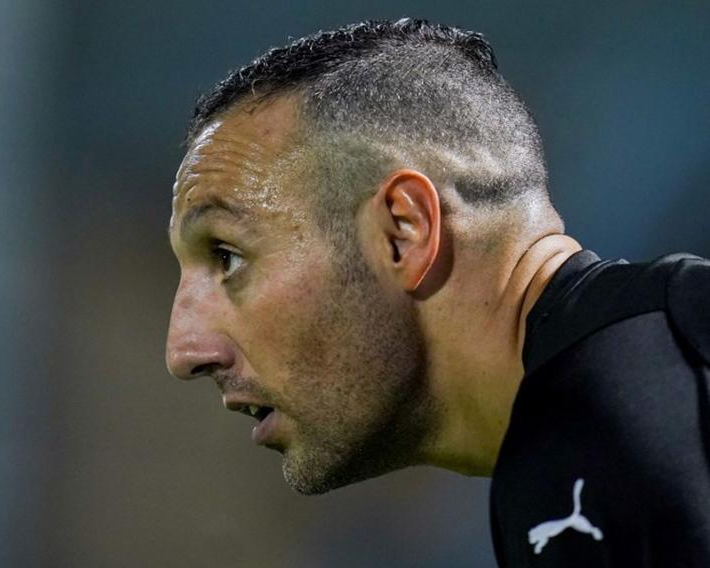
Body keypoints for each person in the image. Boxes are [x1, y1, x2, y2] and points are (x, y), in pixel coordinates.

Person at [164, 18, 710, 566]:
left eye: (227, 255)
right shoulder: (625, 389)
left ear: (403, 232)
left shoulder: (612, 421)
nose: (183, 352)